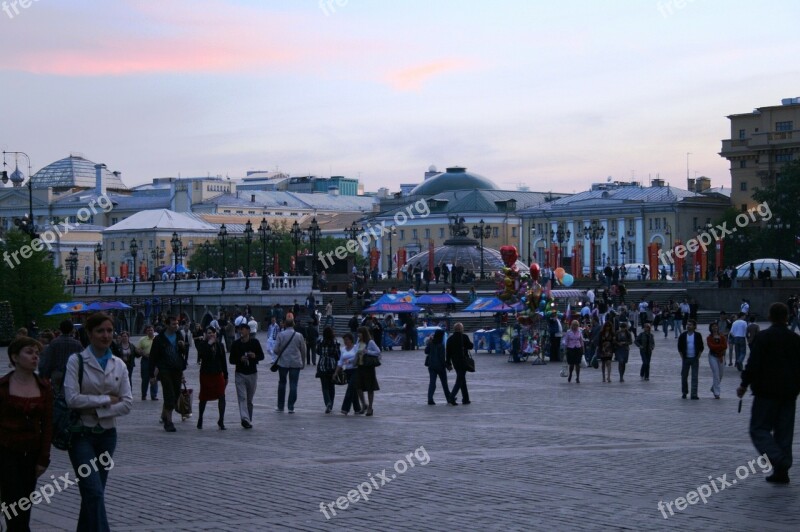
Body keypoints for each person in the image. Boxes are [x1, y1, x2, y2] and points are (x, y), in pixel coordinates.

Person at [64, 312, 132, 531]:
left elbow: (127, 403)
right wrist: (105, 401)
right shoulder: (76, 361)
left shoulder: (119, 364)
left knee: (94, 493)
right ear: (89, 333)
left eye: (109, 330)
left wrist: (97, 410)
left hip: (107, 435)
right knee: (93, 491)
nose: (106, 335)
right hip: (81, 434)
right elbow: (72, 399)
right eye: (100, 331)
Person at [737, 303, 800, 484]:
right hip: (789, 393)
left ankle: (778, 458)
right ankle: (782, 472)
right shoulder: (795, 339)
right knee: (784, 433)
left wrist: (743, 384)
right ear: (786, 317)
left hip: (766, 392)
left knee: (758, 429)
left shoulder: (763, 338)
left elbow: (753, 364)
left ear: (770, 317)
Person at [0, 337, 53, 532]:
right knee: (13, 504)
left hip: (31, 454)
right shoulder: (3, 386)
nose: (35, 357)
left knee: (24, 503)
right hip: (6, 453)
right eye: (29, 352)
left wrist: (43, 457)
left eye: (37, 353)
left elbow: (47, 425)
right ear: (15, 357)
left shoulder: (44, 387)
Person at [148, 316, 187, 432]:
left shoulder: (179, 335)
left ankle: (165, 415)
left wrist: (182, 347)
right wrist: (151, 375)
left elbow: (183, 353)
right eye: (173, 324)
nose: (176, 326)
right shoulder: (159, 339)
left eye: (177, 324)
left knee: (175, 394)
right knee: (168, 394)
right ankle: (169, 422)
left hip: (177, 369)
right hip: (165, 370)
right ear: (167, 325)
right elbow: (153, 358)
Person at [230, 322, 265, 428]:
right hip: (240, 373)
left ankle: (248, 418)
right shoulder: (236, 344)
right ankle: (244, 419)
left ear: (248, 331)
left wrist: (254, 356)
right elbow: (231, 360)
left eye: (243, 329)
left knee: (249, 399)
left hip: (252, 373)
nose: (241, 331)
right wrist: (239, 359)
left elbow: (262, 356)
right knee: (242, 397)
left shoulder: (255, 342)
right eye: (240, 329)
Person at [38, 319, 84, 398]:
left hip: (57, 373)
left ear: (60, 329)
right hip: (72, 374)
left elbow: (48, 359)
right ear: (72, 329)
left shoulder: (54, 342)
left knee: (57, 396)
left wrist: (44, 374)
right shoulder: (77, 344)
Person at [196, 327, 228, 430]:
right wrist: (209, 344)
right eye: (209, 333)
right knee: (204, 397)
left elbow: (223, 361)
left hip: (218, 374)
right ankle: (200, 417)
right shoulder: (203, 344)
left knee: (222, 396)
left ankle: (221, 420)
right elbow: (201, 355)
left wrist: (226, 375)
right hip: (206, 374)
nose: (211, 335)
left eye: (213, 333)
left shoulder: (220, 345)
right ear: (205, 334)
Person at [274, 316, 306, 414]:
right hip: (295, 363)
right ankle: (291, 406)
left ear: (285, 324)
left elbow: (275, 350)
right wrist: (303, 362)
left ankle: (280, 406)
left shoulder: (280, 335)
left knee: (282, 383)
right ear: (293, 324)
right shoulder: (299, 335)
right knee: (293, 384)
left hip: (283, 362)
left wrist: (281, 353)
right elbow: (303, 350)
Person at [425, 329, 455, 405]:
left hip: (431, 366)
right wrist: (447, 365)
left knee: (432, 383)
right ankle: (449, 398)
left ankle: (430, 398)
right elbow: (442, 358)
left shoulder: (431, 343)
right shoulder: (441, 345)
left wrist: (429, 342)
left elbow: (426, 351)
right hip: (440, 367)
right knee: (444, 384)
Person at [446, 322, 473, 404]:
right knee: (460, 380)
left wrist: (448, 363)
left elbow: (448, 353)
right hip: (463, 361)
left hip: (455, 362)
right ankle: (451, 397)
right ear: (461, 329)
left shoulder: (450, 339)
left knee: (462, 379)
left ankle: (465, 399)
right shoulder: (464, 337)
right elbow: (471, 346)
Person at [334, 333, 362, 415]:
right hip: (348, 371)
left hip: (356, 370)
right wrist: (336, 372)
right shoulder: (343, 349)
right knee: (353, 390)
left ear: (351, 340)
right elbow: (340, 362)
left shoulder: (355, 348)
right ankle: (357, 409)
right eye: (344, 340)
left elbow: (357, 357)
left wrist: (350, 361)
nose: (345, 342)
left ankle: (345, 408)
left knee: (350, 389)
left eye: (347, 340)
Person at [355, 326, 381, 416]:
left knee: (370, 388)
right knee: (358, 387)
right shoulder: (358, 342)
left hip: (368, 367)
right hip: (360, 366)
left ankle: (370, 407)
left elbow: (378, 352)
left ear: (364, 334)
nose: (358, 335)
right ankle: (363, 404)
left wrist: (367, 351)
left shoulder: (370, 342)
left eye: (360, 333)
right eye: (358, 333)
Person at [678, 320, 704, 399]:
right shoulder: (683, 335)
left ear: (694, 326)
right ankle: (684, 392)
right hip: (686, 358)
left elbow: (701, 347)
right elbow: (679, 347)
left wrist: (698, 356)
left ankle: (694, 394)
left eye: (690, 325)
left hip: (695, 358)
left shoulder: (697, 335)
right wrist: (682, 356)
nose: (688, 326)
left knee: (694, 377)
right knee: (684, 376)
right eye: (687, 324)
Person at [316, 326, 340, 414]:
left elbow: (317, 351)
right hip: (332, 365)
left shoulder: (320, 342)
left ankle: (327, 402)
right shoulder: (335, 342)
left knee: (324, 386)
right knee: (331, 386)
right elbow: (338, 355)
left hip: (322, 365)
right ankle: (331, 404)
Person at [136, 325, 159, 401]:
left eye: (151, 330)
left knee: (154, 378)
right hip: (146, 360)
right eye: (148, 330)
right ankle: (144, 395)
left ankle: (154, 395)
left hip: (155, 360)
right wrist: (144, 353)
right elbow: (138, 349)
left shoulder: (157, 339)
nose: (150, 331)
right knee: (145, 378)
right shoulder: (142, 339)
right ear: (146, 331)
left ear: (153, 330)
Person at [706, 322, 727, 399]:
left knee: (721, 374)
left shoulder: (722, 336)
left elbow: (725, 346)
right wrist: (719, 347)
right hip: (713, 356)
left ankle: (714, 387)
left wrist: (718, 347)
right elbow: (711, 346)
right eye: (713, 327)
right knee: (716, 374)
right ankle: (717, 393)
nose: (715, 328)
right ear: (711, 328)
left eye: (716, 326)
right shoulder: (709, 337)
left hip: (721, 356)